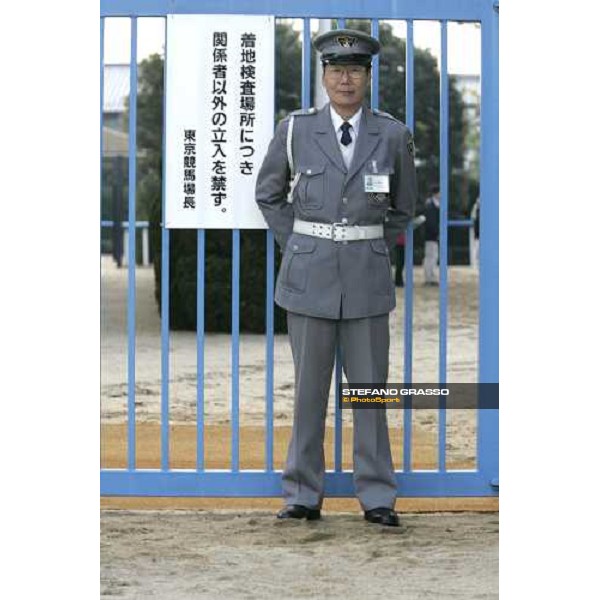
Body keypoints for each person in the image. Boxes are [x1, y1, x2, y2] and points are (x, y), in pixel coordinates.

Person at [255, 29, 417, 527]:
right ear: (323, 76)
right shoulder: (294, 130)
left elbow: (403, 207)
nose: (345, 79)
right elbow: (269, 194)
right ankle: (303, 493)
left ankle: (377, 497)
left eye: (355, 71)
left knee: (369, 392)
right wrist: (304, 243)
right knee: (309, 392)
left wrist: (367, 243)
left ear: (368, 78)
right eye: (336, 70)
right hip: (309, 277)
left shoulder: (392, 134)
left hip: (366, 280)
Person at [423, 186, 441, 285]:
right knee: (430, 256)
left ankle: (431, 277)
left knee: (432, 256)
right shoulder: (430, 205)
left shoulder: (434, 204)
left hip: (432, 235)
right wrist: (437, 233)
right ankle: (429, 278)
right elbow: (431, 222)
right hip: (430, 235)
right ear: (436, 193)